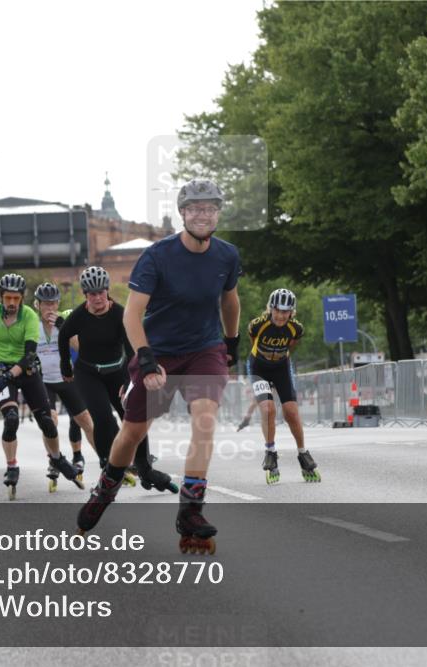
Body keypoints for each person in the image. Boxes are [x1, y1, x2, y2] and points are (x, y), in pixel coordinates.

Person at [76, 179, 241, 554]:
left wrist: (231, 345)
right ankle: (107, 487)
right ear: (183, 213)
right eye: (195, 209)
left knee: (204, 418)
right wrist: (146, 359)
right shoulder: (157, 255)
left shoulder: (227, 256)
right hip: (159, 351)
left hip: (205, 348)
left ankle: (191, 511)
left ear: (218, 214)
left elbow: (230, 301)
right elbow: (132, 314)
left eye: (210, 208)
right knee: (132, 432)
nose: (203, 215)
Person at [59, 267, 175, 492]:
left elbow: (132, 350)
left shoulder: (120, 315)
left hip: (117, 371)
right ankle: (107, 468)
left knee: (134, 418)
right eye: (92, 294)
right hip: (88, 373)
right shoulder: (79, 316)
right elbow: (64, 335)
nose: (98, 298)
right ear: (85, 295)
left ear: (107, 291)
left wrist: (129, 380)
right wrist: (66, 365)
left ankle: (144, 467)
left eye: (101, 292)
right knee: (102, 418)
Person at [0, 273, 83, 499]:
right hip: (1, 370)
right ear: (1, 297)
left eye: (16, 298)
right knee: (12, 418)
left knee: (47, 422)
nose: (12, 303)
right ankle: (12, 466)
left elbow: (28, 356)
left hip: (27, 371)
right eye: (8, 298)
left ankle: (56, 458)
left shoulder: (28, 317)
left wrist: (4, 378)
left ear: (23, 298)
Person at [247, 288, 319, 483]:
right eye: (277, 310)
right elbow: (254, 343)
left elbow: (292, 344)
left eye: (285, 312)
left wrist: (278, 357)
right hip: (259, 367)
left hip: (281, 367)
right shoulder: (257, 325)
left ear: (291, 312)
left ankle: (303, 453)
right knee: (268, 409)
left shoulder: (297, 328)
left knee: (291, 412)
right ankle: (270, 450)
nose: (280, 315)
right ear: (270, 309)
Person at [32, 282, 96, 486]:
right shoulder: (31, 325)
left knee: (86, 420)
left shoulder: (65, 321)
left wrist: (63, 327)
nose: (49, 308)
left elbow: (82, 347)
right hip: (43, 382)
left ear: (58, 303)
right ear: (37, 305)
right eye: (45, 304)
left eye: (53, 303)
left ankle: (107, 461)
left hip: (66, 378)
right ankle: (54, 459)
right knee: (49, 420)